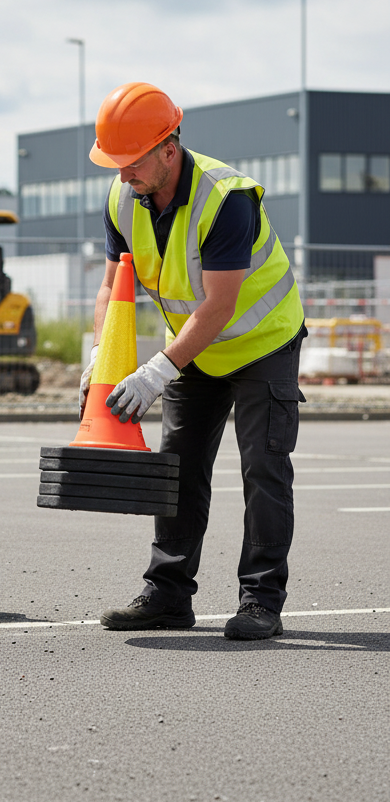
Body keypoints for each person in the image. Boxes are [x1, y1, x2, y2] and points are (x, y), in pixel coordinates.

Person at [78, 81, 306, 641]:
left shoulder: (226, 199)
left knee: (264, 470)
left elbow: (220, 305)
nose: (123, 175)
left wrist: (157, 371)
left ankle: (261, 601)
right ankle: (167, 594)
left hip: (261, 344)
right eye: (116, 164)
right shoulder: (122, 198)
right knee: (176, 469)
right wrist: (100, 358)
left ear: (169, 149)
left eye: (132, 162)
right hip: (193, 349)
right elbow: (112, 287)